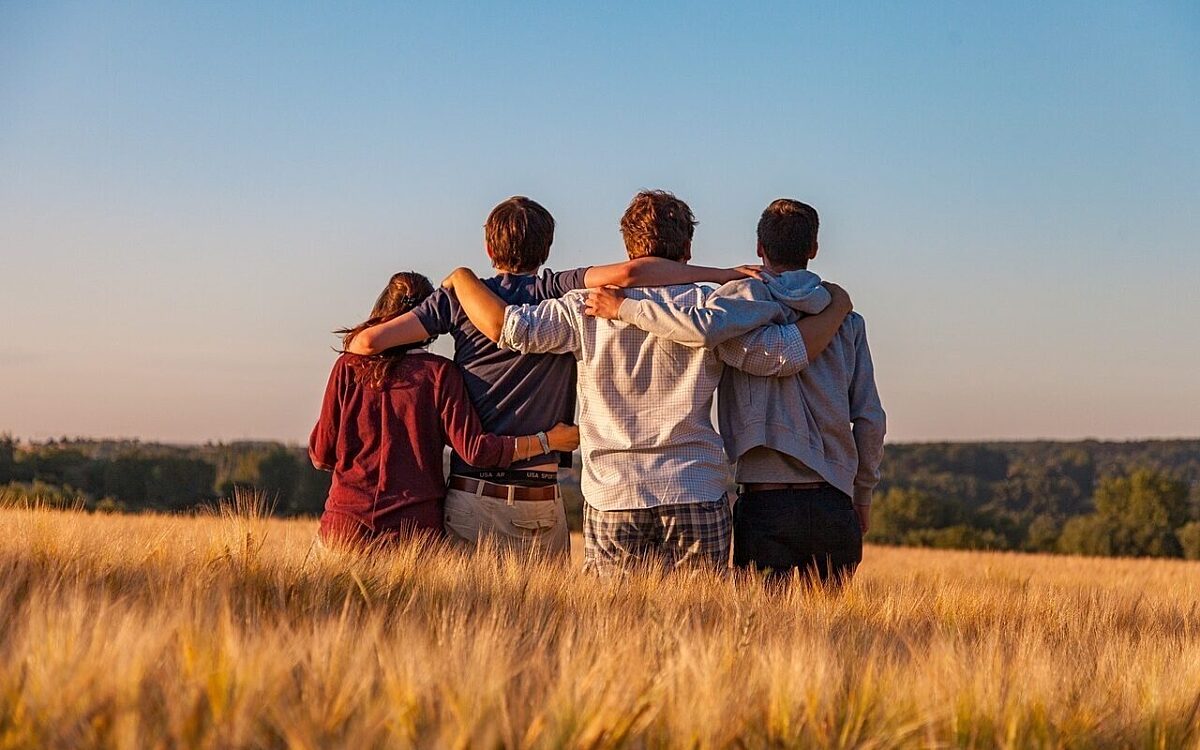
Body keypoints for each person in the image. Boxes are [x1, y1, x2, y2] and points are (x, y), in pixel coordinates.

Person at [442, 190, 852, 575]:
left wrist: (462, 278)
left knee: (614, 630)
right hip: (694, 487)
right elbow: (781, 356)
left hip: (613, 493)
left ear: (628, 248)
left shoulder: (584, 306)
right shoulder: (713, 307)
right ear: (687, 250)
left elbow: (511, 329)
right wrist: (836, 308)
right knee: (700, 628)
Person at [345, 196, 762, 557]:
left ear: (489, 247)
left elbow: (366, 345)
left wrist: (455, 282)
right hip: (542, 497)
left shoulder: (458, 299)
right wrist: (722, 275)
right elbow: (634, 274)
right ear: (547, 248)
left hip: (474, 493)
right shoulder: (557, 289)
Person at [585, 199, 885, 585]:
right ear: (813, 249)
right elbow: (870, 419)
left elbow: (701, 329)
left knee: (759, 633)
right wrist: (862, 494)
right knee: (829, 636)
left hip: (765, 500)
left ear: (760, 248)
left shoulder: (734, 309)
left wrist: (626, 308)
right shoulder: (847, 321)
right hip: (834, 500)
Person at [309, 271, 579, 551]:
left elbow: (321, 454)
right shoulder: (440, 374)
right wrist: (547, 441)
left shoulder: (348, 367)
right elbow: (476, 451)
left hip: (344, 528)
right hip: (414, 535)